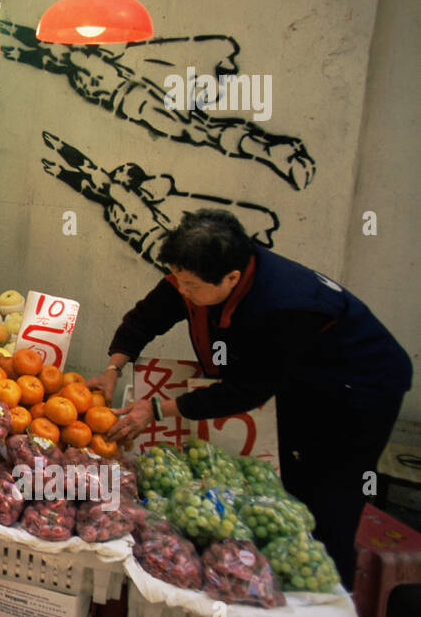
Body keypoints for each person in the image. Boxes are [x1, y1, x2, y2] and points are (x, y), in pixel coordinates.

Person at [89, 209, 412, 586]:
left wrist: (159, 409)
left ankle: (326, 605)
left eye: (190, 284)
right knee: (280, 480)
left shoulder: (286, 306)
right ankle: (259, 581)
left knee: (330, 493)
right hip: (296, 375)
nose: (182, 290)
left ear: (232, 278)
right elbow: (146, 317)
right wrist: (114, 369)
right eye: (178, 279)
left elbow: (248, 389)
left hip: (358, 388)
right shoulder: (200, 269)